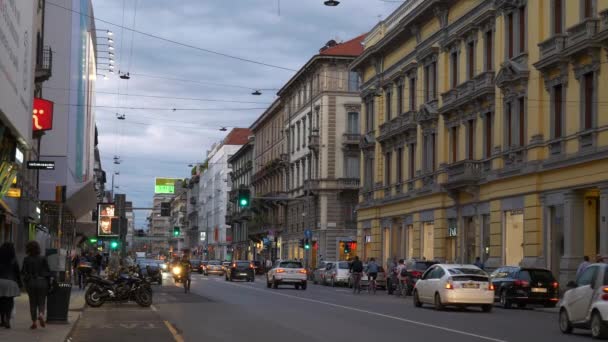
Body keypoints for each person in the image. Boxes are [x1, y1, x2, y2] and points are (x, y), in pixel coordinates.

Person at [22, 241, 51, 330]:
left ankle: (34, 322)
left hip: (31, 283)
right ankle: (41, 314)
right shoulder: (43, 258)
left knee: (33, 303)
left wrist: (27, 280)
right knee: (42, 301)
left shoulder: (26, 259)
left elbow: (23, 272)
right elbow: (48, 272)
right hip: (42, 282)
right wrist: (48, 283)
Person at [0, 243, 22, 329]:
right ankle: (8, 320)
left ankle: (2, 320)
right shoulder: (14, 260)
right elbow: (17, 274)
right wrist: (20, 284)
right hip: (11, 282)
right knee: (9, 301)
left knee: (1, 301)